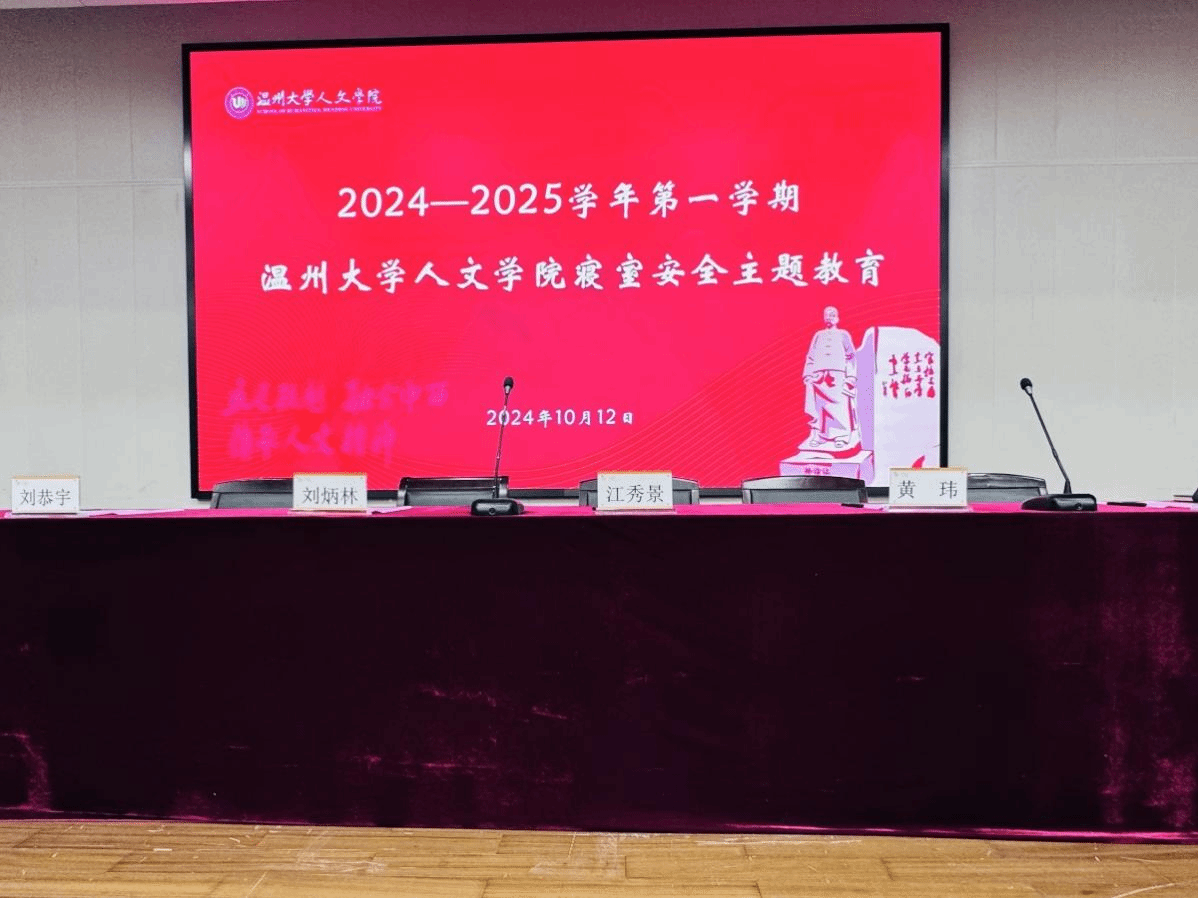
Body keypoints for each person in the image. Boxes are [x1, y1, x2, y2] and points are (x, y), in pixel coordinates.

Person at [799, 306, 862, 456]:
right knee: (821, 407)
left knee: (839, 405)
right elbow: (811, 355)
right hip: (819, 375)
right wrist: (808, 374)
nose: (829, 317)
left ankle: (841, 436)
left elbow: (851, 356)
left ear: (838, 317)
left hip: (837, 374)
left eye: (832, 315)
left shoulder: (843, 334)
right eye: (827, 315)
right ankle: (821, 435)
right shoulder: (818, 335)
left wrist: (851, 377)